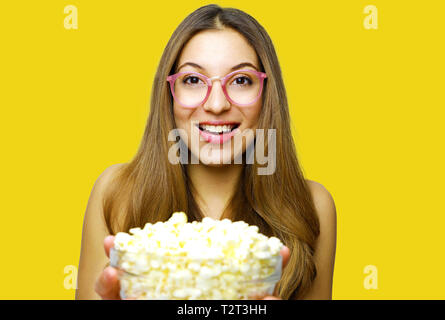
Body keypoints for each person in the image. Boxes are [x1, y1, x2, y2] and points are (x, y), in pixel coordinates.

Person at [75, 4, 337, 300]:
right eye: (192, 80)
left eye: (240, 81)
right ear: (169, 95)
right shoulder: (116, 192)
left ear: (267, 95)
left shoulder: (313, 206)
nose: (215, 105)